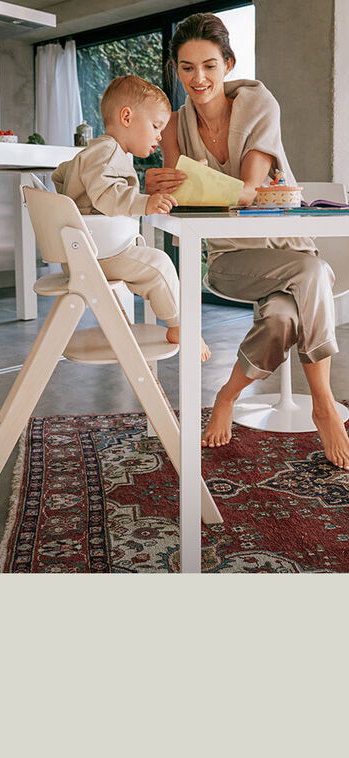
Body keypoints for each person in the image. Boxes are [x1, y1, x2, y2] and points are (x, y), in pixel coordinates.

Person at [145, 11, 349, 471]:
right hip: (227, 260)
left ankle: (226, 396)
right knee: (312, 273)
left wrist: (199, 187)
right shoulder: (176, 125)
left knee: (282, 316)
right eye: (187, 67)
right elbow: (194, 199)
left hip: (288, 248)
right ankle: (325, 405)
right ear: (176, 71)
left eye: (210, 65)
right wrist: (161, 184)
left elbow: (250, 193)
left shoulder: (259, 105)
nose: (199, 78)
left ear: (228, 64)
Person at [52, 75, 211, 361]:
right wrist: (145, 202)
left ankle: (171, 317)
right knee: (159, 264)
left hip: (91, 251)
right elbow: (105, 195)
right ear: (127, 117)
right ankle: (180, 326)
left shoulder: (98, 153)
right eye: (155, 126)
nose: (159, 136)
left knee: (147, 264)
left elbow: (62, 173)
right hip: (97, 253)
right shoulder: (105, 151)